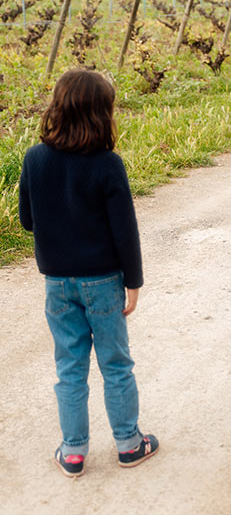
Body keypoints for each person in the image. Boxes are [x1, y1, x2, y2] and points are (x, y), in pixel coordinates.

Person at [18, 69, 158, 478]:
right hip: (103, 282)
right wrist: (133, 281)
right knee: (116, 364)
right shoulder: (108, 165)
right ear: (102, 114)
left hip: (57, 284)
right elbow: (125, 231)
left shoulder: (34, 159)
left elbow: (27, 220)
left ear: (57, 107)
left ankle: (74, 451)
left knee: (70, 367)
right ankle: (129, 444)